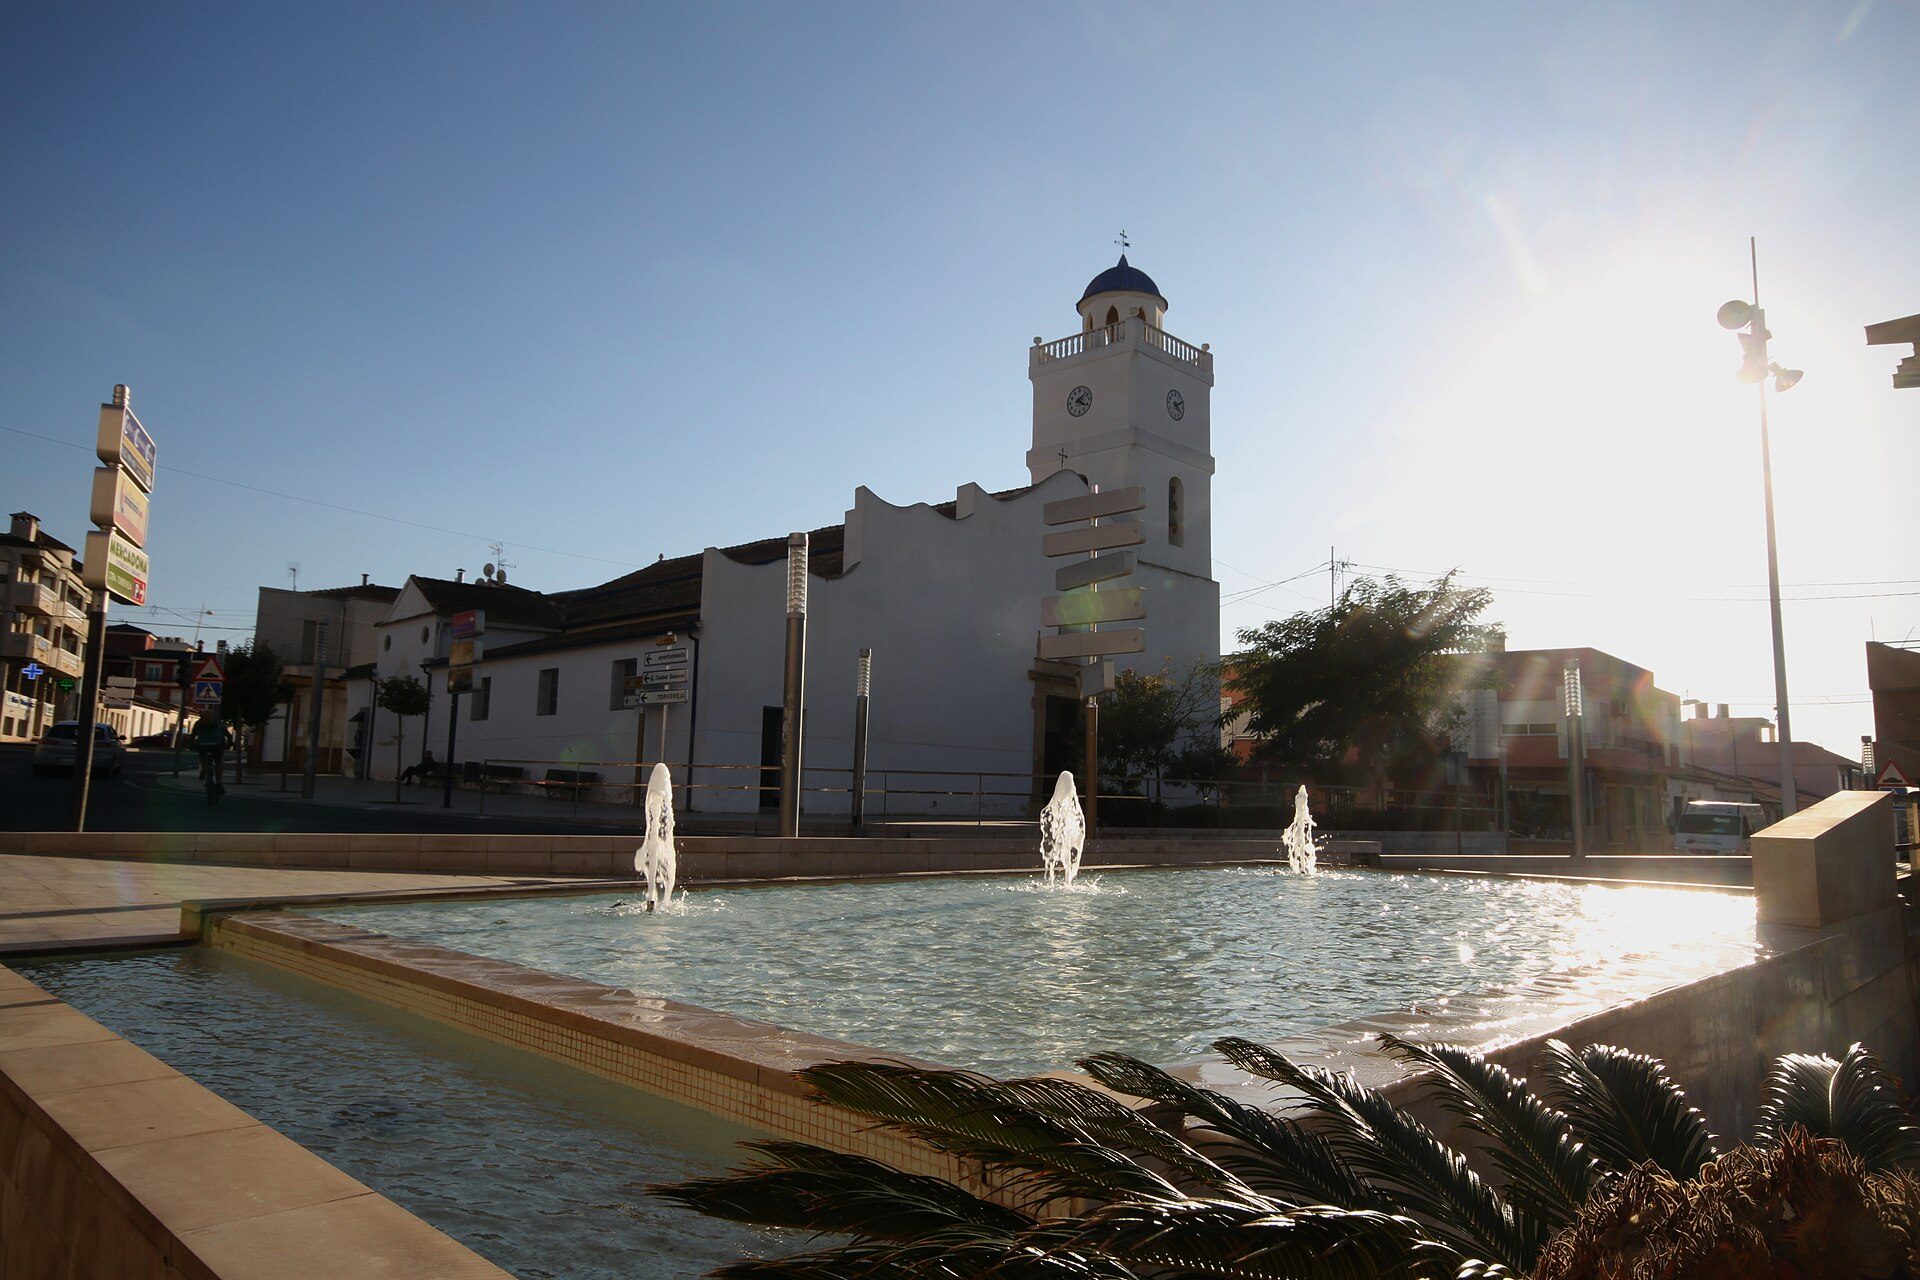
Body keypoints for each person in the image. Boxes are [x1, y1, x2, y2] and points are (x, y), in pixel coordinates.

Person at [190, 717, 234, 802]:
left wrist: (192, 745)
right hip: (217, 746)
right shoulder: (219, 722)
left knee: (201, 755)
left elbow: (193, 735)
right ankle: (219, 783)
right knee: (218, 762)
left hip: (202, 746)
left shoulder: (199, 723)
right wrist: (229, 744)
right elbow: (228, 735)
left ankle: (203, 768)